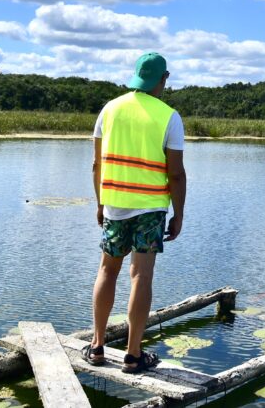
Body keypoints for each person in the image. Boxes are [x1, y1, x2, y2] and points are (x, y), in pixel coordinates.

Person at [84, 52, 186, 373]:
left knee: (107, 271)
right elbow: (177, 174)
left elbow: (97, 164)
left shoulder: (109, 109)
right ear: (163, 78)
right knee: (141, 275)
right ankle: (133, 354)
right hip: (152, 207)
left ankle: (98, 346)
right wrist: (178, 214)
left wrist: (101, 203)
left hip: (115, 204)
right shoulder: (170, 116)